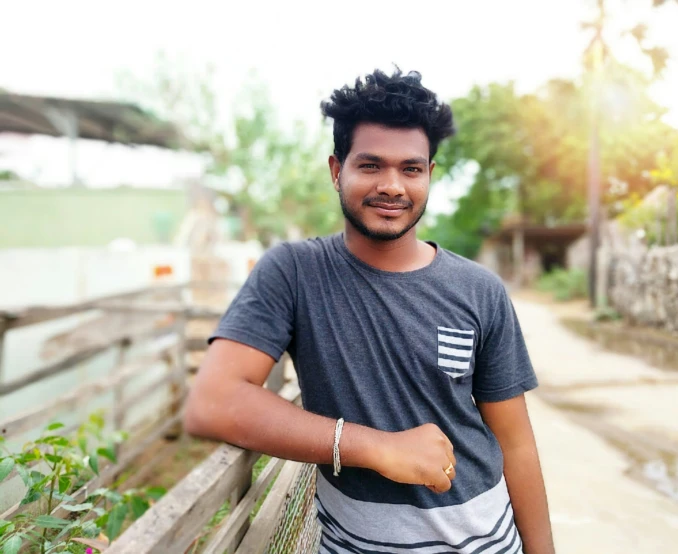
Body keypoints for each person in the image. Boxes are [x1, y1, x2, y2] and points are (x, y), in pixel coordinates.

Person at [184, 68, 555, 554]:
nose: (393, 186)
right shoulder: (295, 273)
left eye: (411, 168)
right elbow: (211, 403)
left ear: (429, 176)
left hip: (487, 542)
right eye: (371, 165)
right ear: (338, 171)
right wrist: (376, 447)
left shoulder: (479, 289)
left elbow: (516, 443)